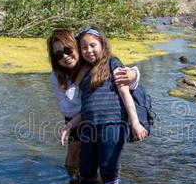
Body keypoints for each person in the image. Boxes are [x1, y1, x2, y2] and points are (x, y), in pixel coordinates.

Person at [62, 26, 148, 184]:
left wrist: (135, 123)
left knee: (108, 170)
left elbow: (125, 94)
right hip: (89, 127)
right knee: (86, 170)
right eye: (84, 47)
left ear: (102, 43)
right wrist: (70, 125)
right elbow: (86, 109)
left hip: (112, 125)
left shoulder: (112, 63)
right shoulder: (84, 73)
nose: (89, 50)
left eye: (93, 45)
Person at [47, 29, 140, 172]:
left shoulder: (91, 60)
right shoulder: (57, 75)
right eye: (59, 54)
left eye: (68, 50)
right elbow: (67, 109)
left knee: (103, 153)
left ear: (77, 46)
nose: (65, 56)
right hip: (76, 114)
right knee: (74, 152)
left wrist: (133, 74)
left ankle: (104, 179)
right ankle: (72, 181)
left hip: (100, 113)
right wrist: (76, 84)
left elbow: (116, 69)